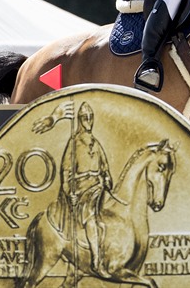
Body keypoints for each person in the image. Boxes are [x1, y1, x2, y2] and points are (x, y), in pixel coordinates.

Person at [49, 102, 113, 278]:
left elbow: (104, 164)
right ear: (79, 120)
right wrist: (70, 191)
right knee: (91, 220)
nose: (89, 121)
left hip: (98, 186)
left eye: (91, 117)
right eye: (85, 118)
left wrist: (107, 176)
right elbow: (66, 171)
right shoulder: (74, 143)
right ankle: (96, 262)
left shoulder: (95, 142)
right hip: (82, 188)